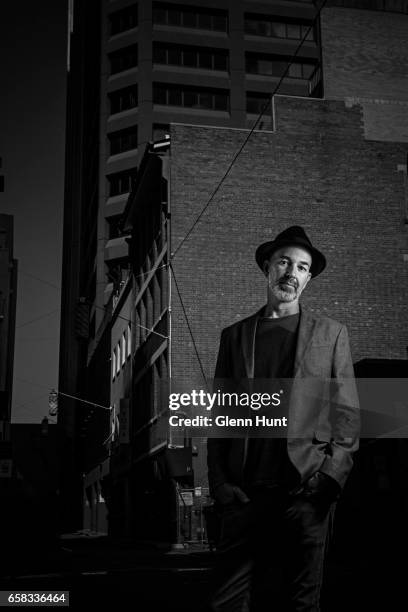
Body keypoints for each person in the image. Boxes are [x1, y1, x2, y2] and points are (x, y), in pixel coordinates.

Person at [206, 226, 360, 612]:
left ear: (308, 278)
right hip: (244, 495)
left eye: (302, 267)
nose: (292, 272)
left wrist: (329, 477)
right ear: (266, 267)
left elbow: (347, 411)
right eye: (284, 262)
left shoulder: (331, 333)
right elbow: (221, 412)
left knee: (301, 603)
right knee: (227, 602)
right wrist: (221, 483)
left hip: (304, 491)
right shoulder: (235, 336)